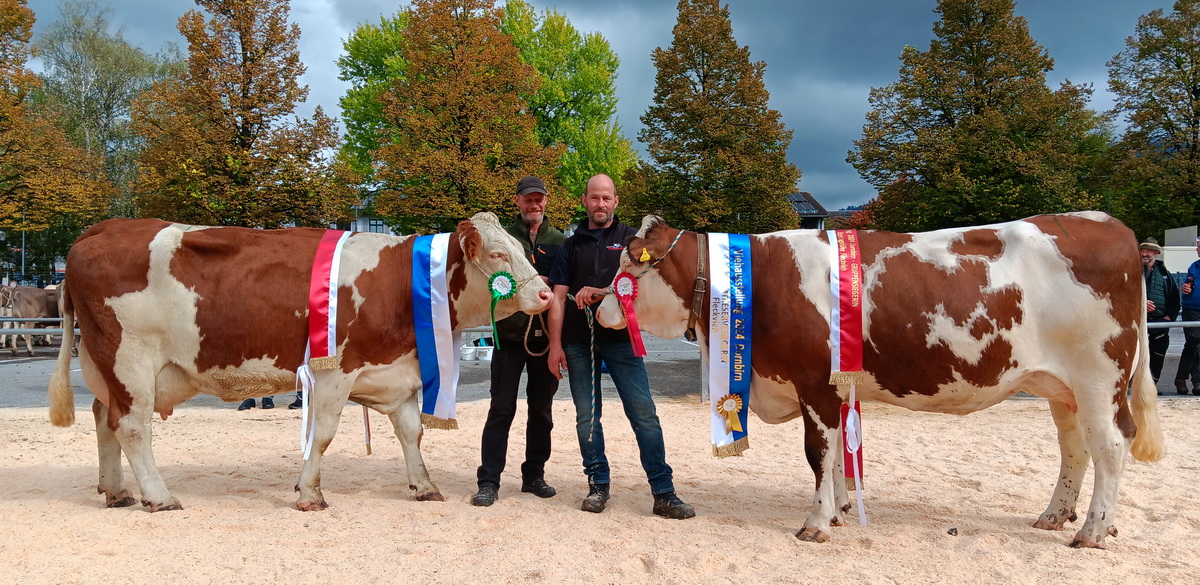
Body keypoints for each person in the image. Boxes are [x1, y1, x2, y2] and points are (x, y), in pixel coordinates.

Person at [545, 173, 695, 520]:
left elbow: (645, 286)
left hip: (623, 341)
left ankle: (663, 492)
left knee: (644, 414)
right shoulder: (570, 245)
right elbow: (558, 297)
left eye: (606, 198)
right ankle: (598, 485)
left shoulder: (633, 242)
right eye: (594, 198)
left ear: (616, 202)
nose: (600, 204)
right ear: (585, 201)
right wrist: (555, 345)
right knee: (587, 417)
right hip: (578, 341)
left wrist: (600, 292)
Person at [471, 176, 567, 507]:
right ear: (518, 201)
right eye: (528, 199)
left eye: (539, 199)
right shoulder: (503, 239)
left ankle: (534, 476)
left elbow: (564, 288)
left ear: (546, 201)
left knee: (541, 411)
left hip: (544, 339)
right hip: (509, 337)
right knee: (501, 409)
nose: (534, 204)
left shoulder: (560, 240)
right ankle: (489, 480)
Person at [1141, 237, 1180, 390]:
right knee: (1136, 354)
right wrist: (1141, 302)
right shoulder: (1132, 272)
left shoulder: (1165, 274)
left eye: (1147, 251)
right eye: (1142, 250)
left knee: (1157, 353)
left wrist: (1169, 317)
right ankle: (1132, 383)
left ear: (1156, 253)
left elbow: (1174, 298)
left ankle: (1152, 384)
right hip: (1137, 320)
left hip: (1159, 320)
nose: (1144, 254)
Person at [1173, 236, 1200, 396]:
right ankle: (1191, 379)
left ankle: (1185, 379)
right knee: (1193, 344)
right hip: (1192, 310)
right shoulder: (1194, 266)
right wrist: (1185, 289)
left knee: (1196, 345)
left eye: (1198, 246)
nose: (1197, 249)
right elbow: (1188, 285)